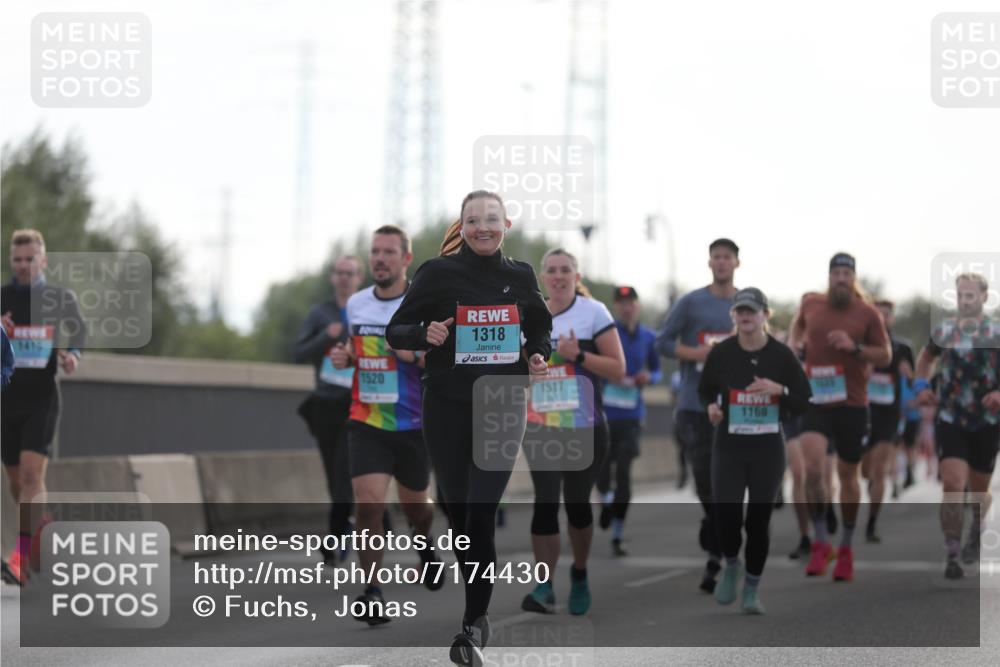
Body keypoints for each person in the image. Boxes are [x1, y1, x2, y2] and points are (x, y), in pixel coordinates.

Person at [386, 191, 551, 667]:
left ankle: (473, 624)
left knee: (480, 512)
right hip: (447, 405)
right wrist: (424, 335)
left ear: (506, 224)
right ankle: (475, 606)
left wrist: (539, 353)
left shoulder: (519, 276)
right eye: (474, 220)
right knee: (460, 516)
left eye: (492, 220)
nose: (483, 228)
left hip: (501, 404)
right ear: (462, 225)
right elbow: (395, 329)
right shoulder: (437, 274)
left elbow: (540, 326)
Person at [333, 225, 441, 624]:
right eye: (375, 252)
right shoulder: (358, 304)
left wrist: (412, 354)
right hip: (366, 418)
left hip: (413, 423)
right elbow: (356, 345)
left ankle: (424, 540)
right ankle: (372, 590)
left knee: (417, 508)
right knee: (369, 504)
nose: (379, 258)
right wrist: (347, 356)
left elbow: (442, 360)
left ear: (405, 259)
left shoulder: (422, 303)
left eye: (389, 252)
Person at [521, 248, 625, 617]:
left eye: (566, 270)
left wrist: (576, 355)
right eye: (552, 270)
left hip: (585, 427)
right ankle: (544, 584)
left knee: (577, 505)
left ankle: (579, 573)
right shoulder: (530, 314)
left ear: (576, 276)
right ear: (543, 277)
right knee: (545, 502)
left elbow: (618, 369)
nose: (559, 276)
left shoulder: (593, 313)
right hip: (541, 425)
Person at [699, 288, 811, 614]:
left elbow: (803, 399)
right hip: (729, 446)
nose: (746, 316)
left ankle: (751, 588)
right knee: (727, 514)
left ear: (765, 315)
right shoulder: (721, 353)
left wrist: (780, 389)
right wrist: (712, 408)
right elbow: (705, 390)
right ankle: (732, 563)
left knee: (758, 521)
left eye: (752, 311)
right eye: (740, 311)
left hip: (766, 447)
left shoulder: (781, 355)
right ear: (733, 316)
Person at [792, 252, 891, 582]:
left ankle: (846, 546)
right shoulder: (811, 304)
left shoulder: (868, 313)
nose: (840, 278)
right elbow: (796, 329)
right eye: (836, 272)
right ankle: (822, 542)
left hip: (852, 403)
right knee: (812, 469)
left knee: (849, 476)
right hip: (816, 400)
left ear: (854, 278)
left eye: (846, 272)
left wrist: (855, 348)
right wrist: (796, 346)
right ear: (829, 276)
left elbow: (885, 354)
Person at [655, 238, 740, 593]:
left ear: (737, 262)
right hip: (695, 405)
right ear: (709, 263)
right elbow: (662, 342)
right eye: (716, 257)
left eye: (727, 257)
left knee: (731, 482)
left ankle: (719, 550)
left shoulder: (747, 303)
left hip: (738, 408)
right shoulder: (691, 303)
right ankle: (714, 527)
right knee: (705, 479)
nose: (721, 262)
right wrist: (697, 353)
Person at [1, 229, 85, 585]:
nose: (23, 266)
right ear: (11, 261)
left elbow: (78, 330)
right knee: (17, 483)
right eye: (17, 260)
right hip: (6, 399)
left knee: (34, 477)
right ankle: (41, 526)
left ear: (43, 260)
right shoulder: (2, 296)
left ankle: (18, 559)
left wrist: (73, 356)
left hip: (42, 399)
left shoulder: (58, 297)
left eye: (30, 259)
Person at [914, 272, 1000, 579]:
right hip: (950, 416)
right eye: (960, 295)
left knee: (979, 490)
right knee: (952, 482)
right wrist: (922, 386)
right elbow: (925, 360)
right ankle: (952, 550)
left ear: (984, 298)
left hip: (988, 421)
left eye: (970, 296)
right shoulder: (945, 330)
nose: (964, 301)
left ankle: (977, 529)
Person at [294, 256, 363, 563]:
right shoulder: (319, 314)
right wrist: (327, 335)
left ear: (360, 278)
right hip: (325, 405)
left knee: (347, 473)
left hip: (359, 403)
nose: (345, 278)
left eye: (351, 273)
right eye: (340, 273)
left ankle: (337, 535)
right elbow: (299, 353)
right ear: (333, 278)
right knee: (333, 474)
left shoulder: (367, 309)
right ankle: (345, 528)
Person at [597, 285, 662, 556]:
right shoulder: (606, 334)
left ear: (638, 306)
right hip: (604, 413)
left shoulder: (649, 337)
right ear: (615, 307)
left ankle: (617, 533)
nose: (626, 307)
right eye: (621, 303)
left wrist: (649, 378)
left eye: (631, 302)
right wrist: (608, 376)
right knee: (601, 470)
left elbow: (657, 370)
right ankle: (606, 500)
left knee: (624, 473)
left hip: (632, 414)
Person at [860, 299, 914, 543]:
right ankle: (870, 484)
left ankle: (872, 523)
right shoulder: (861, 345)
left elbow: (915, 382)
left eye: (886, 315)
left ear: (892, 318)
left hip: (889, 415)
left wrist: (908, 375)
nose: (882, 318)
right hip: (861, 411)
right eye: (877, 314)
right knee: (865, 471)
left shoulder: (903, 348)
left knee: (880, 470)